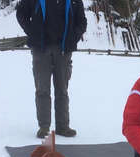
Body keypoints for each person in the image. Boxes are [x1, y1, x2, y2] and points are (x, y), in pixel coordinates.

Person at [16, 0, 87, 138]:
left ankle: (63, 127)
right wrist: (32, 32)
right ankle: (44, 127)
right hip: (40, 50)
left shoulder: (74, 1)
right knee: (42, 89)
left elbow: (82, 22)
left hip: (64, 51)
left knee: (62, 90)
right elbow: (21, 14)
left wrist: (73, 38)